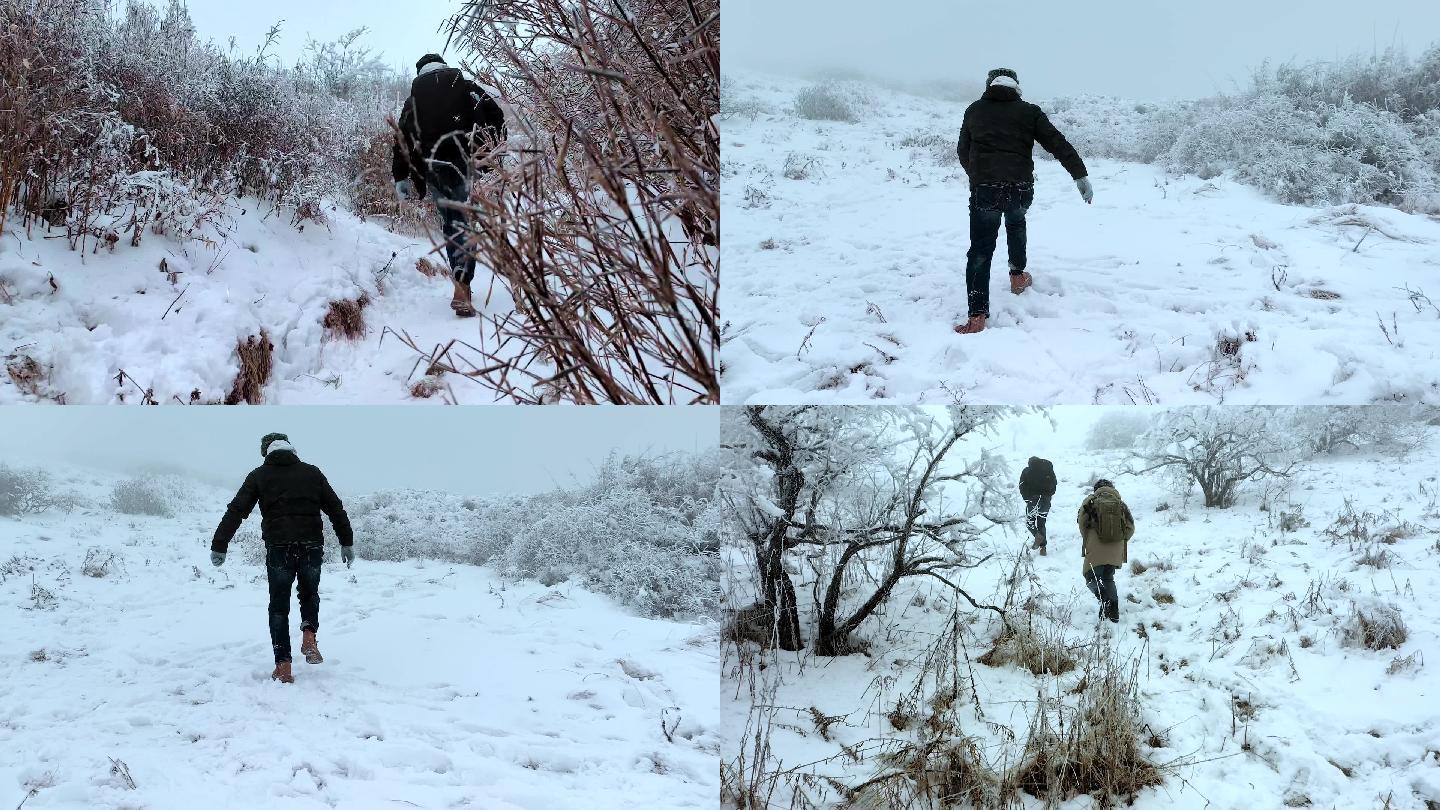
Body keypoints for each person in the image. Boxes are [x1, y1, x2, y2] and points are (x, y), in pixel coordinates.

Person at [954, 68, 1092, 335]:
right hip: (1020, 187)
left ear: (989, 85)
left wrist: (978, 175)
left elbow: (963, 150)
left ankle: (977, 316)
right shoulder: (1029, 112)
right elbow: (1057, 143)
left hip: (986, 189)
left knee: (981, 250)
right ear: (1016, 86)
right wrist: (1080, 175)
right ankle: (1018, 277)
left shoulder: (975, 110)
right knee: (1016, 225)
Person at [210, 433, 355, 684]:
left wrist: (219, 544)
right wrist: (346, 541)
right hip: (311, 545)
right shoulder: (312, 473)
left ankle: (284, 667)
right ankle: (309, 635)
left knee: (279, 606)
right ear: (291, 449)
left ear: (266, 452)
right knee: (309, 594)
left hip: (279, 548)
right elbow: (335, 507)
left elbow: (237, 510)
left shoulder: (259, 475)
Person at [391, 53, 507, 318]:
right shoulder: (466, 86)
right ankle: (462, 286)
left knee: (451, 224)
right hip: (466, 164)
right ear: (443, 66)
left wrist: (401, 177)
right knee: (464, 222)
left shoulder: (414, 100)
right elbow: (496, 115)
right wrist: (491, 152)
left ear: (420, 72)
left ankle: (461, 283)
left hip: (433, 170)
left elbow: (402, 140)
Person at [1077, 479, 1135, 624]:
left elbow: (1082, 523)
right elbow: (1131, 528)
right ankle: (1113, 612)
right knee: (1108, 578)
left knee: (1090, 578)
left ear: (1096, 489)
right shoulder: (1121, 504)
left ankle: (1104, 598)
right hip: (1116, 548)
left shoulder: (1090, 501)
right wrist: (1120, 539)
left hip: (1096, 548)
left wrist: (1090, 538)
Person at [1018, 456, 1057, 555]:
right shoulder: (1048, 469)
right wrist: (1049, 495)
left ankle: (1037, 535)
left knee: (1029, 522)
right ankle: (1043, 547)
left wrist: (1027, 499)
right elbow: (1054, 483)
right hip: (1046, 501)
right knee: (1041, 523)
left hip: (1033, 500)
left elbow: (1022, 486)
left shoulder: (1027, 471)